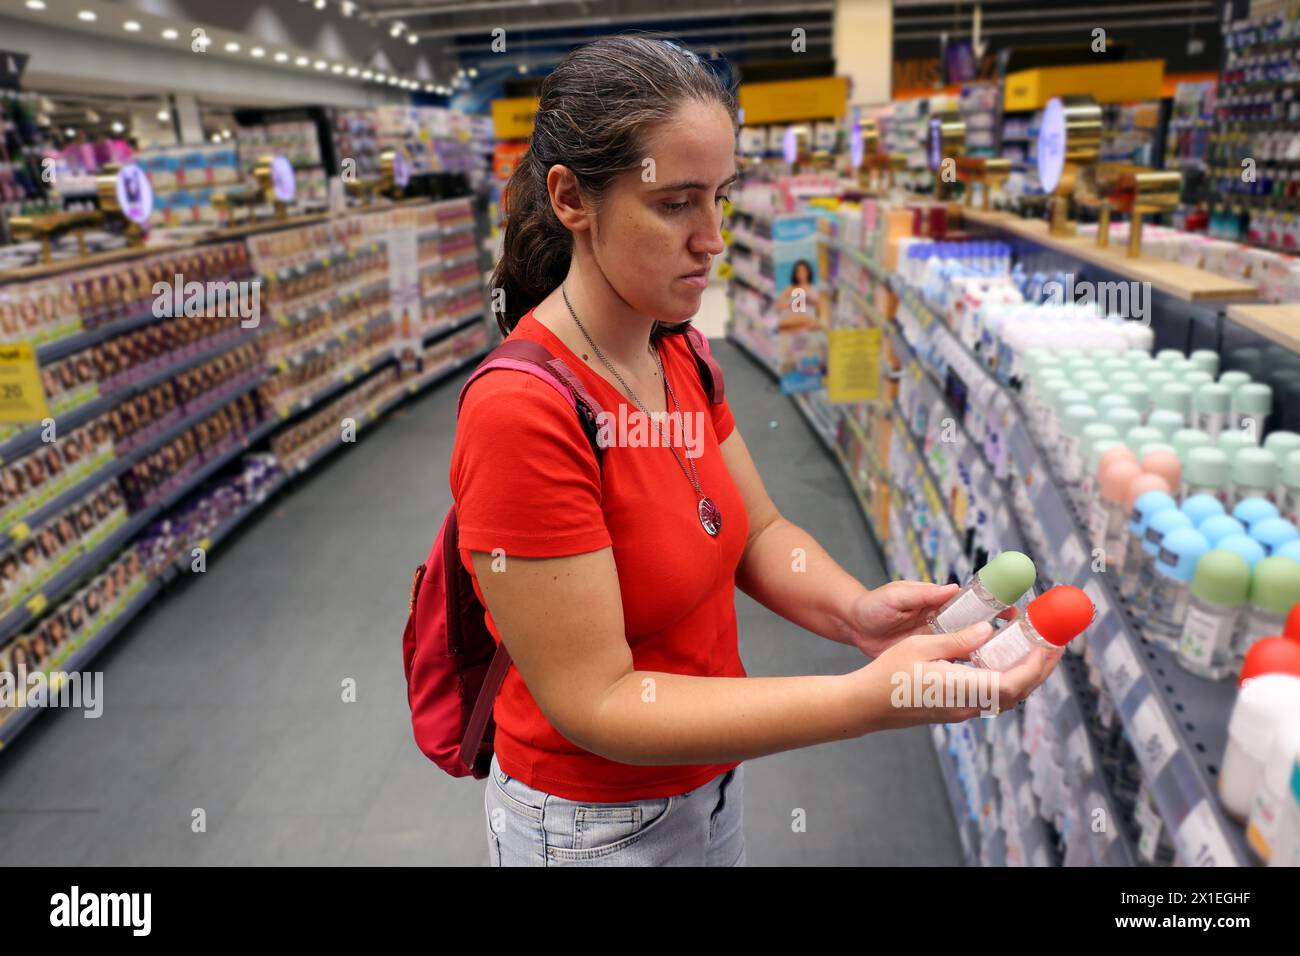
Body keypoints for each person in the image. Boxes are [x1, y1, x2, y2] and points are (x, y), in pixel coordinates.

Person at [451, 34, 1061, 868]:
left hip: (707, 787)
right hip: (592, 826)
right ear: (570, 199)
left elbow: (759, 534)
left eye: (722, 198)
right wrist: (861, 702)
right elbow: (596, 701)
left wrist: (854, 612)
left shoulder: (680, 352)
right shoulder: (522, 412)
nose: (714, 238)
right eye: (676, 204)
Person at [775, 259, 822, 332]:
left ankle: (798, 329)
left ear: (808, 272)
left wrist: (810, 301)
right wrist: (791, 305)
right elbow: (778, 306)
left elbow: (819, 311)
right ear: (795, 273)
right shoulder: (789, 288)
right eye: (798, 271)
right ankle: (799, 329)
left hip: (807, 319)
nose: (801, 274)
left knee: (814, 323)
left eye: (803, 271)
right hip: (791, 317)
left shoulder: (814, 289)